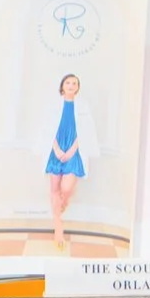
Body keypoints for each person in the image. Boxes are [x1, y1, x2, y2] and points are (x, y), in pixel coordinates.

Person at [43, 71, 96, 244]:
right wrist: (57, 149)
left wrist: (72, 150)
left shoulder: (83, 105)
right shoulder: (53, 104)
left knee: (65, 189)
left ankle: (63, 202)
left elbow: (86, 130)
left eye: (74, 83)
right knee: (54, 188)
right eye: (68, 83)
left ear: (78, 88)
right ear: (62, 87)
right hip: (56, 150)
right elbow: (48, 130)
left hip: (74, 150)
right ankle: (58, 227)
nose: (71, 86)